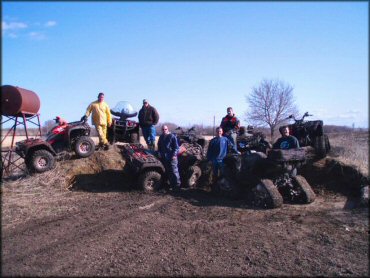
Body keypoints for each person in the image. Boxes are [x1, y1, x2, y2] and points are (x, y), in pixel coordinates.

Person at [157, 125, 181, 191]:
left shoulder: (172, 136)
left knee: (174, 171)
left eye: (165, 129)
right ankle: (171, 185)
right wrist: (159, 152)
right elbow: (159, 146)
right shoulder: (161, 137)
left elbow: (176, 147)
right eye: (163, 129)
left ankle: (177, 186)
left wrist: (174, 155)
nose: (164, 130)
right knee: (168, 171)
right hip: (164, 157)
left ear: (168, 129)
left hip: (172, 157)